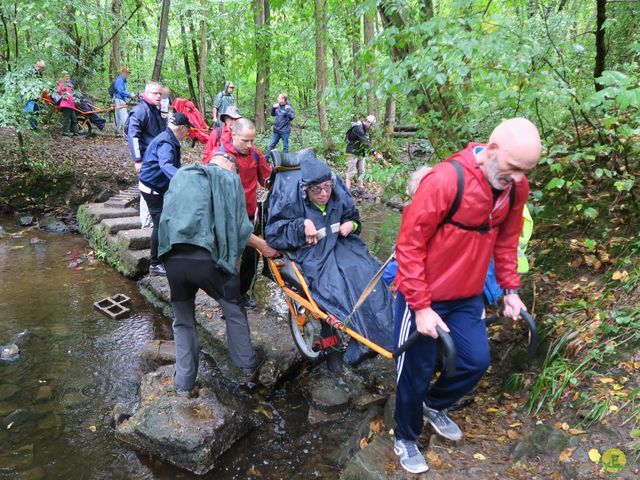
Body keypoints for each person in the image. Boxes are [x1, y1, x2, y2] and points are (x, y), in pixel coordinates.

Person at [391, 118, 542, 474]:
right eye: (514, 168)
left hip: (467, 296)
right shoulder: (445, 180)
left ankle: (433, 404)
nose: (519, 178)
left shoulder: (515, 190)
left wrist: (510, 290)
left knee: (475, 362)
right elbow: (408, 246)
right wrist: (422, 307)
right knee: (416, 371)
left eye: (526, 171)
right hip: (422, 297)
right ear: (491, 151)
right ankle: (405, 437)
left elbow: (507, 241)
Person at [158, 152, 279, 394]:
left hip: (172, 257)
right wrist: (263, 246)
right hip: (205, 260)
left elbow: (165, 218)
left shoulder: (182, 175)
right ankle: (247, 372)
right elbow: (238, 227)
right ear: (230, 166)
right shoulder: (226, 178)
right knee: (233, 308)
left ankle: (184, 383)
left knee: (183, 321)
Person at [265, 150, 394, 372]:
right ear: (306, 190)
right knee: (337, 288)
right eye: (317, 190)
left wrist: (350, 225)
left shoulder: (336, 192)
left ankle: (387, 331)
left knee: (368, 275)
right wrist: (301, 225)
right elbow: (274, 234)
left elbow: (353, 217)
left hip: (342, 246)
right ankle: (359, 338)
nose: (324, 193)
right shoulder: (290, 198)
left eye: (327, 187)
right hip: (313, 253)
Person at [216, 118, 272, 309]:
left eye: (252, 141)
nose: (249, 145)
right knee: (230, 261)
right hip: (227, 218)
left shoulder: (255, 155)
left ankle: (241, 294)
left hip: (250, 216)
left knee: (251, 259)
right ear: (233, 135)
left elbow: (267, 179)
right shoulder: (221, 158)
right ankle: (227, 301)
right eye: (245, 141)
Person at [138, 112, 193, 276]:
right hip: (152, 187)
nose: (188, 134)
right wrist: (183, 179)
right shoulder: (166, 143)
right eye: (187, 130)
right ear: (182, 128)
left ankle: (168, 253)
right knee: (160, 224)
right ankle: (155, 264)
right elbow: (166, 164)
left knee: (168, 220)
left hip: (157, 185)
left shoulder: (168, 137)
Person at [126, 81, 166, 229]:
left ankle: (154, 226)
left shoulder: (155, 110)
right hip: (146, 160)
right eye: (155, 93)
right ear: (147, 93)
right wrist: (137, 160)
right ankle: (147, 226)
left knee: (155, 189)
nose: (159, 96)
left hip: (156, 159)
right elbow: (133, 136)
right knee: (147, 189)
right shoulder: (141, 110)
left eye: (160, 93)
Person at [345, 115, 375, 191]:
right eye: (370, 124)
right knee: (351, 171)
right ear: (368, 122)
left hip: (360, 152)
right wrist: (374, 152)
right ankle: (347, 190)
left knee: (361, 171)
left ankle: (360, 189)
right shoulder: (358, 128)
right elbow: (365, 141)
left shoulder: (364, 129)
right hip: (353, 152)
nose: (370, 126)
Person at [265, 93, 295, 159]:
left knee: (285, 147)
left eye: (279, 97)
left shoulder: (288, 107)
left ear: (283, 99)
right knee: (271, 145)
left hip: (285, 131)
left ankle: (285, 161)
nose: (277, 98)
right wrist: (273, 108)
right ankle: (265, 160)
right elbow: (273, 114)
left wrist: (287, 111)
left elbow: (292, 117)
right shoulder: (277, 106)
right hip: (276, 131)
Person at [24, 60, 46, 129]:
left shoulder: (40, 74)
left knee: (36, 110)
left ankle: (35, 126)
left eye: (43, 68)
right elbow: (28, 83)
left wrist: (40, 94)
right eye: (41, 67)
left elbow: (40, 84)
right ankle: (31, 126)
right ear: (38, 66)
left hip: (37, 95)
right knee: (30, 109)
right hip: (31, 94)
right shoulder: (31, 72)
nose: (42, 69)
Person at [113, 67, 135, 136]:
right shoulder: (120, 80)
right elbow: (121, 91)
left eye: (128, 73)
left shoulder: (122, 80)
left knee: (118, 116)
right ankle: (127, 134)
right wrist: (130, 95)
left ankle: (117, 131)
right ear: (123, 73)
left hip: (119, 99)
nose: (127, 75)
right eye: (126, 73)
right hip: (120, 100)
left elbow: (122, 91)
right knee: (124, 117)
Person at [57, 71, 78, 136]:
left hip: (71, 105)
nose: (67, 78)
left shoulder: (70, 85)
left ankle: (74, 132)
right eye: (66, 77)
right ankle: (64, 132)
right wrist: (63, 94)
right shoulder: (62, 84)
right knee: (66, 119)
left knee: (74, 119)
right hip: (66, 104)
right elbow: (59, 91)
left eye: (68, 76)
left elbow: (72, 93)